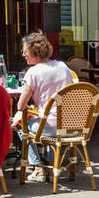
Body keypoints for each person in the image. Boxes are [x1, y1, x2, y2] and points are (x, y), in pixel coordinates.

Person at [15, 31, 73, 183]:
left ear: (35, 52)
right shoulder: (63, 67)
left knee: (21, 125)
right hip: (69, 125)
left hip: (47, 127)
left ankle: (38, 168)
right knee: (50, 120)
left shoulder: (33, 72)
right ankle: (53, 166)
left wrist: (32, 110)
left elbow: (20, 106)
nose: (23, 54)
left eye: (25, 51)